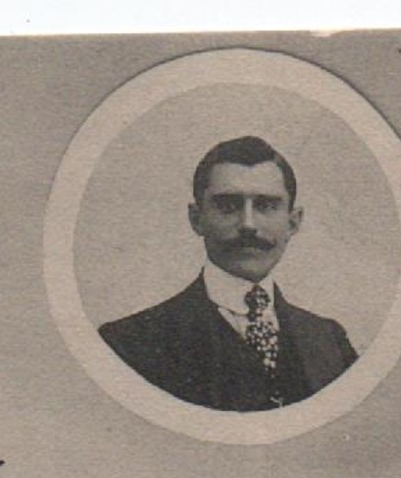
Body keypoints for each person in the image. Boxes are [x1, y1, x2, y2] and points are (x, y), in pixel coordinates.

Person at [98, 135, 357, 412]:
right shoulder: (128, 344)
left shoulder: (329, 341)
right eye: (228, 205)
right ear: (196, 219)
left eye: (266, 205)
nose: (248, 224)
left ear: (293, 223)